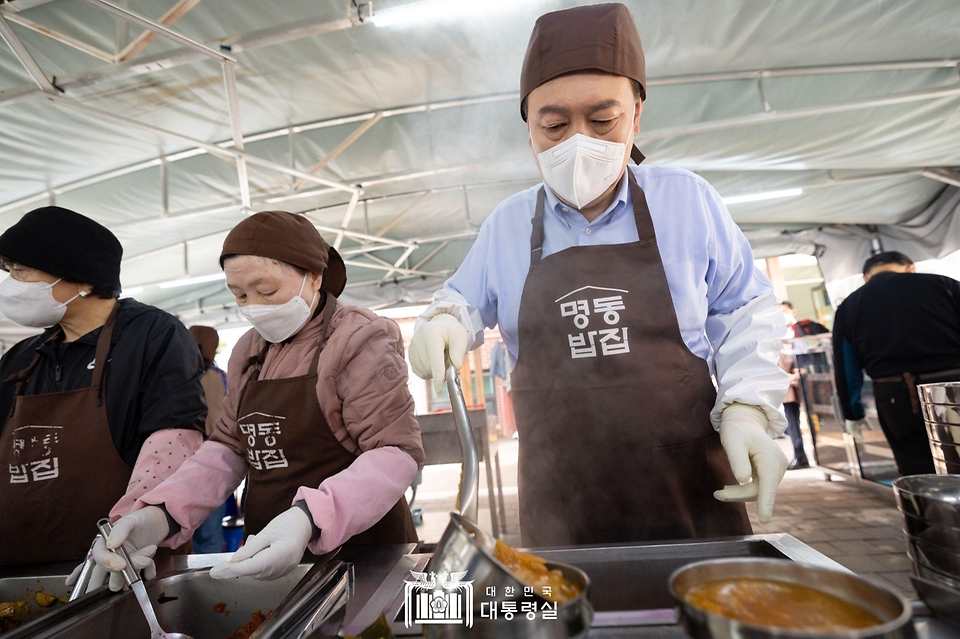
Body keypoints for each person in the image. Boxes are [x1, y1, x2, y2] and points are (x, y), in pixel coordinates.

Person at [408, 4, 789, 547]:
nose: (577, 142)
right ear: (529, 132)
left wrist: (749, 406)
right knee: (565, 622)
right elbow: (461, 301)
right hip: (559, 494)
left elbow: (744, 310)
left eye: (602, 120)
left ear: (636, 113)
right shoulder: (510, 225)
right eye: (555, 125)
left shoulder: (686, 201)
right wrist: (443, 320)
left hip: (689, 482)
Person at [91, 211, 424, 587]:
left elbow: (394, 455)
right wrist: (159, 514)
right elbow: (228, 449)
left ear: (314, 275)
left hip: (363, 554)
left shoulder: (358, 338)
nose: (253, 305)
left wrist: (308, 519)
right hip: (267, 552)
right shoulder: (249, 350)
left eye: (265, 291)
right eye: (240, 295)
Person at [0, 206, 206, 569]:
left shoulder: (151, 336)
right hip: (18, 566)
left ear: (84, 279)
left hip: (122, 565)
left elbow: (174, 439)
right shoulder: (23, 357)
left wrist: (134, 529)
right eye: (8, 271)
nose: (11, 282)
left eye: (21, 270)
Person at [833, 251, 960, 476]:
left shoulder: (850, 305)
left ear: (866, 277)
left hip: (894, 395)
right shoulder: (944, 285)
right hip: (953, 386)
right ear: (910, 268)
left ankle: (927, 510)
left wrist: (853, 413)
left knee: (916, 467)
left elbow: (846, 366)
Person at [188, 325, 228, 554]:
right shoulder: (221, 378)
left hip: (184, 461)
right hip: (215, 460)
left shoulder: (177, 376)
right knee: (210, 534)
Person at [778, 347, 810, 469]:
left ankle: (800, 456)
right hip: (789, 388)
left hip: (796, 387)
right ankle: (800, 455)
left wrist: (796, 375)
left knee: (793, 424)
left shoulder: (787, 343)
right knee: (792, 424)